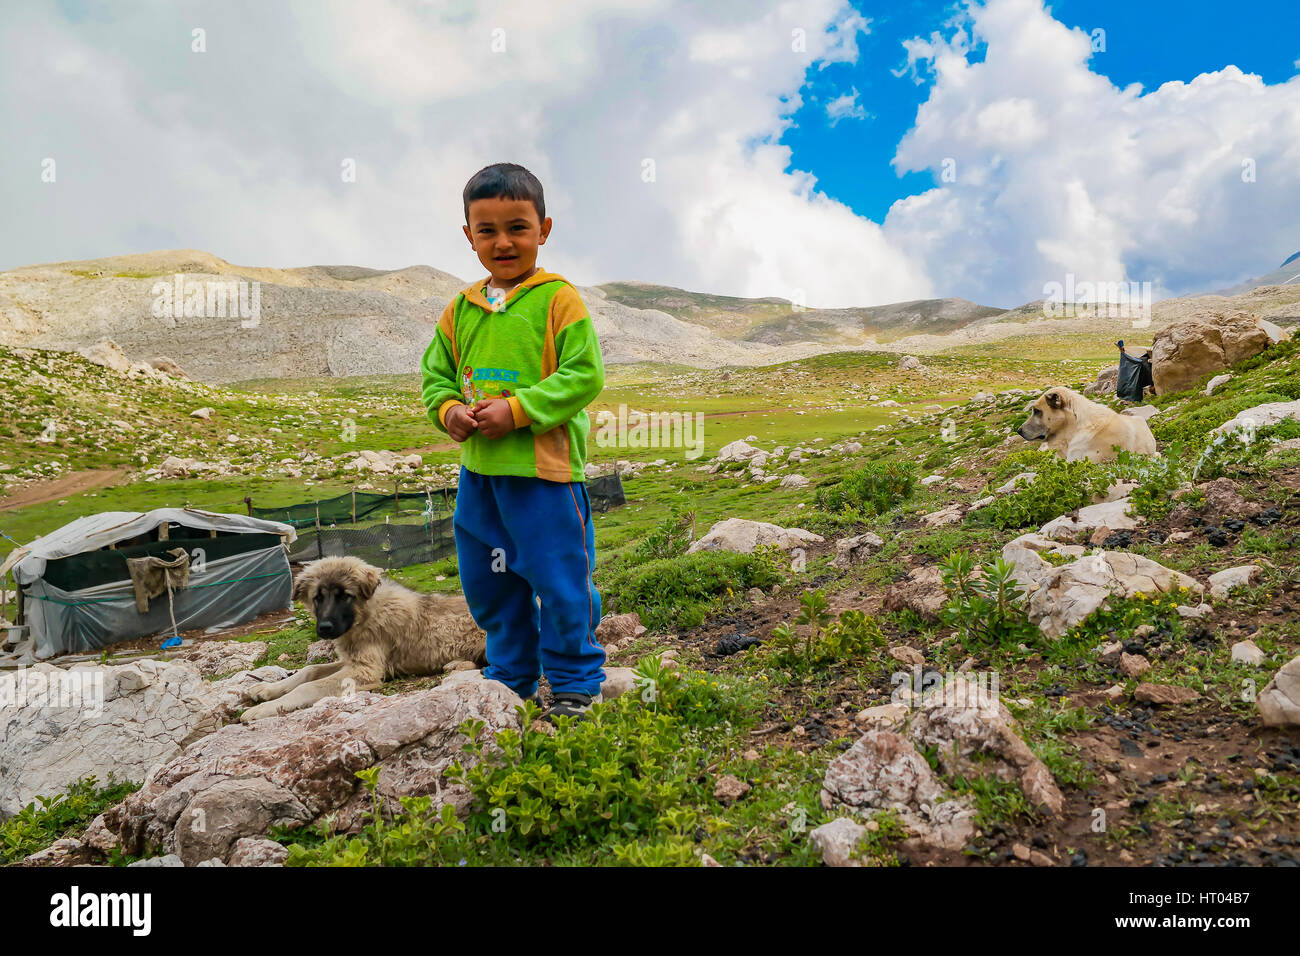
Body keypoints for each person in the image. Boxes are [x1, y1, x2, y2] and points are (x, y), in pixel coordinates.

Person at [420, 163, 607, 718]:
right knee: (488, 583)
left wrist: (520, 411)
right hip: (480, 479)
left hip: (545, 478)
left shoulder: (558, 300)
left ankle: (574, 683)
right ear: (469, 236)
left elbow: (583, 375)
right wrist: (449, 410)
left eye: (518, 227)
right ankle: (511, 677)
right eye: (488, 230)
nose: (503, 242)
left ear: (543, 229)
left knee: (560, 579)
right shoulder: (459, 309)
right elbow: (436, 377)